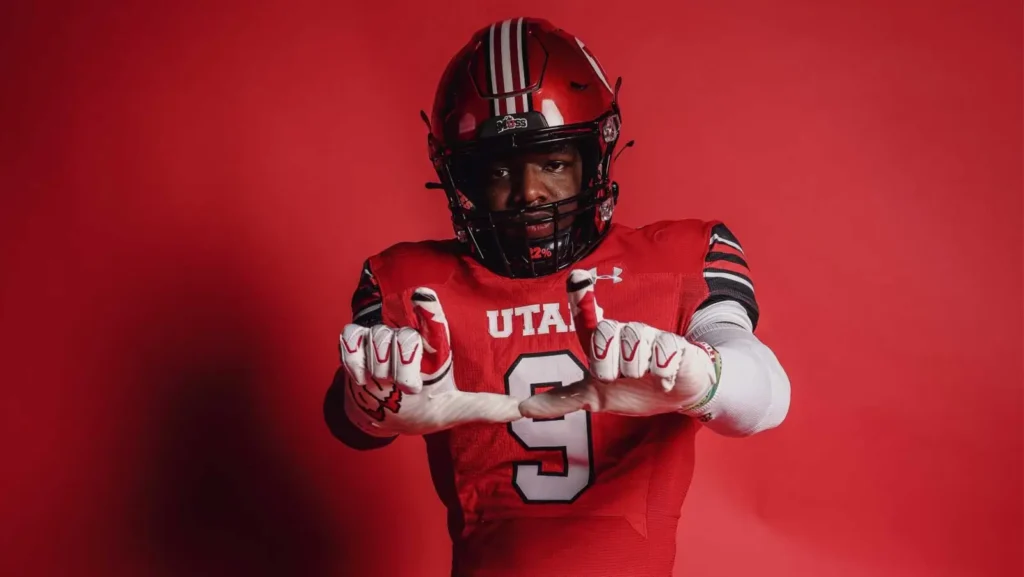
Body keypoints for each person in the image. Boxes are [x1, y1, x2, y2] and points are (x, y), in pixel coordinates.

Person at [324, 17, 791, 577]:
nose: (529, 194)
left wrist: (705, 376)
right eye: (499, 169)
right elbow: (348, 423)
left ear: (593, 158)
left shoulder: (680, 259)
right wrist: (373, 398)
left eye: (552, 163)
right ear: (462, 180)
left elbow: (764, 394)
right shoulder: (414, 284)